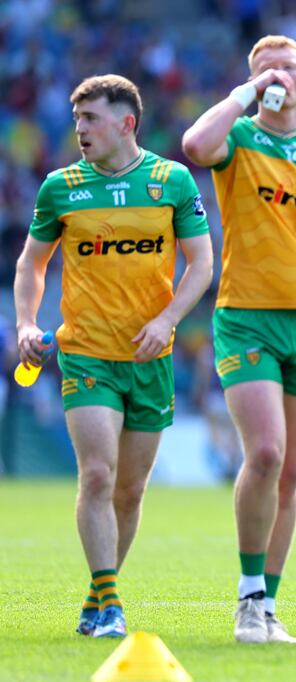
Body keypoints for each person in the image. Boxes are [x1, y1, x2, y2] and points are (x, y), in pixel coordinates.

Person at [14, 74, 213, 638]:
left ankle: (96, 597)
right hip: (86, 354)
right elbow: (32, 263)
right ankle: (112, 602)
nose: (80, 130)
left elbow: (201, 263)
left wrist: (167, 319)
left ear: (126, 123)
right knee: (97, 476)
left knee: (129, 490)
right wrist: (27, 323)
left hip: (151, 356)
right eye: (78, 120)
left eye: (92, 119)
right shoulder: (60, 187)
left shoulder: (171, 181)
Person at [182, 35, 296, 644]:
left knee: (292, 470)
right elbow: (196, 146)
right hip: (247, 314)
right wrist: (247, 93)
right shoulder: (241, 137)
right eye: (266, 69)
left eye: (288, 69)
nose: (279, 75)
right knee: (267, 452)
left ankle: (268, 606)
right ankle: (248, 599)